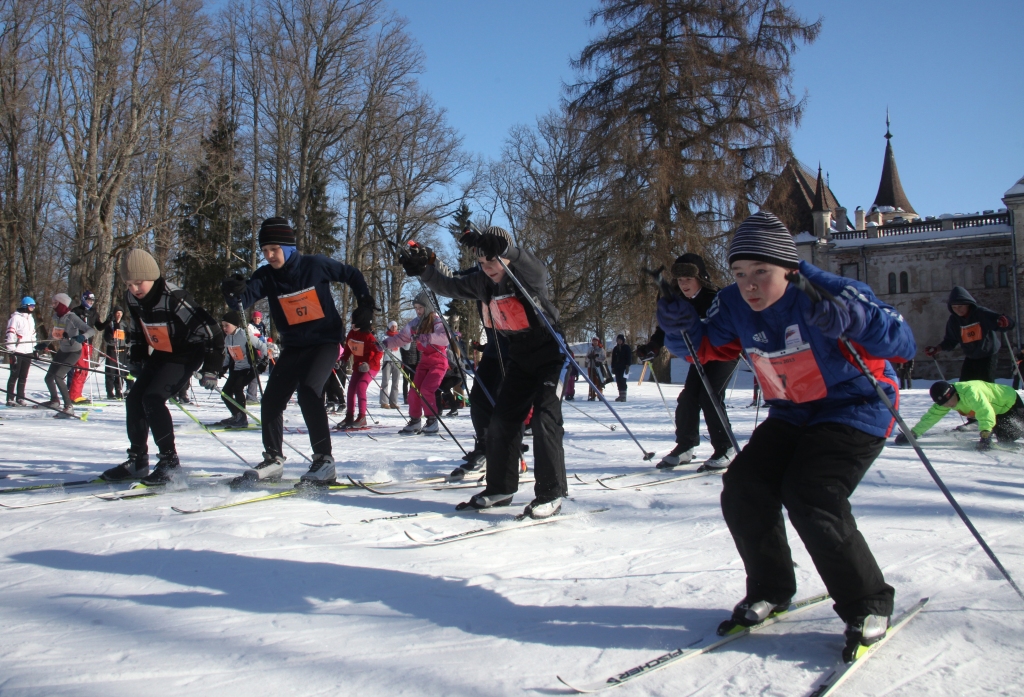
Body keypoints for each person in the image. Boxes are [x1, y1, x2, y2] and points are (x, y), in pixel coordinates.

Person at [658, 211, 915, 662]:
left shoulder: (827, 291)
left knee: (811, 492)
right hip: (792, 412)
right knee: (743, 485)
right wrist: (679, 324)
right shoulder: (735, 303)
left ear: (789, 270)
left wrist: (854, 319)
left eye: (761, 272)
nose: (750, 284)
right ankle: (772, 589)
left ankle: (868, 603)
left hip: (854, 407)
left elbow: (901, 340)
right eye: (740, 274)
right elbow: (706, 348)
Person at [404, 225, 568, 519]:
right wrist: (424, 270)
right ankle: (500, 487)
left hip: (549, 356)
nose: (487, 268)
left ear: (505, 255)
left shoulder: (525, 274)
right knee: (502, 421)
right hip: (518, 358)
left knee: (545, 418)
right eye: (481, 263)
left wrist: (505, 251)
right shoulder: (482, 283)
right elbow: (448, 286)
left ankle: (550, 493)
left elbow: (537, 269)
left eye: (492, 260)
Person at [222, 216, 372, 485]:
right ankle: (273, 459)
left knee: (309, 392)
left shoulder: (314, 265)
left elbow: (351, 274)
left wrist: (365, 304)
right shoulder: (265, 275)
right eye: (264, 250)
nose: (269, 256)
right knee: (271, 400)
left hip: (325, 342)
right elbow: (242, 301)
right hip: (293, 346)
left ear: (289, 247)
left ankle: (324, 461)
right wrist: (232, 292)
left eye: (274, 249)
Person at [101, 249, 224, 483]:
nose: (134, 289)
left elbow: (212, 332)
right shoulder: (131, 299)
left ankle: (169, 462)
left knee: (153, 398)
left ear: (153, 277)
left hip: (188, 351)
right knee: (134, 399)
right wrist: (136, 358)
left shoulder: (174, 297)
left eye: (139, 283)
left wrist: (211, 368)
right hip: (163, 350)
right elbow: (137, 329)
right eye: (129, 284)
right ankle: (137, 459)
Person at [654, 254, 740, 470]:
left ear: (700, 278)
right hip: (701, 356)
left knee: (710, 396)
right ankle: (686, 446)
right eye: (680, 281)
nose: (684, 285)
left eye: (688, 280)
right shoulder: (679, 301)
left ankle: (725, 447)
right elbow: (667, 327)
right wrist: (652, 346)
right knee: (688, 397)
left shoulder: (715, 297)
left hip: (724, 354)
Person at [383, 291, 449, 435]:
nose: (418, 311)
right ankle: (415, 421)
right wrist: (385, 343)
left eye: (421, 308)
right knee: (413, 392)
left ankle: (432, 420)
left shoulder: (437, 321)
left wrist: (427, 337)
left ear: (429, 307)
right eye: (416, 308)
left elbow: (445, 338)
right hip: (424, 362)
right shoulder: (414, 324)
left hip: (438, 362)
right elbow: (401, 338)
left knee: (426, 390)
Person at [894, 380, 1023, 450]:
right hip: (995, 412)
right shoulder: (946, 401)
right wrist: (913, 433)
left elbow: (985, 411)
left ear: (952, 394)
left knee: (1020, 428)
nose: (947, 406)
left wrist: (985, 433)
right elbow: (931, 416)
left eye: (947, 403)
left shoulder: (970, 393)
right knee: (1006, 439)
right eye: (943, 404)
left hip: (1009, 402)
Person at [925, 286, 1014, 384]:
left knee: (985, 386)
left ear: (968, 304)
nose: (958, 310)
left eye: (960, 306)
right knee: (965, 386)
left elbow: (1002, 322)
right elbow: (950, 340)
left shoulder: (981, 313)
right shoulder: (954, 320)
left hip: (988, 355)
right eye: (954, 307)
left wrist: (1006, 322)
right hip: (971, 356)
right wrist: (937, 349)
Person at [42, 293, 95, 418]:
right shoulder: (56, 316)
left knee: (58, 376)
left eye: (55, 303)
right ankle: (54, 401)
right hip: (63, 350)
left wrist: (83, 336)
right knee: (49, 377)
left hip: (74, 352)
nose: (52, 305)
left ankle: (69, 406)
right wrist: (44, 344)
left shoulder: (72, 317)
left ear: (62, 304)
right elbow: (54, 334)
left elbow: (91, 330)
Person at [212, 310, 266, 429]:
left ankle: (242, 418)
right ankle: (237, 415)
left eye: (227, 325)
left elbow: (262, 345)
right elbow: (227, 356)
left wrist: (264, 360)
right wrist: (222, 369)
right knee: (225, 393)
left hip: (249, 368)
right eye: (223, 326)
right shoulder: (227, 338)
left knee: (237, 388)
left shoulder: (244, 335)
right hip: (237, 368)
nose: (225, 328)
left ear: (235, 325)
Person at [337, 306, 383, 430]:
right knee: (351, 389)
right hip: (358, 366)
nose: (352, 324)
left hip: (371, 367)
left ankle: (362, 417)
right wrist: (342, 360)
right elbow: (347, 349)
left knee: (361, 386)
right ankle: (349, 416)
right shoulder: (351, 334)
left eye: (354, 322)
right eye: (351, 321)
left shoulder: (369, 337)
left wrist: (369, 364)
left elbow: (379, 352)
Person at [5, 297, 37, 406]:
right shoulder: (15, 318)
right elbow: (10, 334)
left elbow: (33, 335)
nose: (33, 308)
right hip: (17, 350)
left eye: (34, 306)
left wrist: (34, 348)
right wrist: (11, 351)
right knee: (14, 374)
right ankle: (10, 398)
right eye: (31, 306)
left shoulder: (31, 318)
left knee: (24, 375)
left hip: (27, 351)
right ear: (25, 306)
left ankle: (20, 397)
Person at [68, 290, 98, 404]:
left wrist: (109, 320)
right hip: (78, 343)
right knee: (80, 369)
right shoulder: (76, 311)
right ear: (83, 300)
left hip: (88, 343)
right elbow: (70, 325)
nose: (90, 303)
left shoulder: (93, 312)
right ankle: (74, 395)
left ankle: (77, 394)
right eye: (88, 300)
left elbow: (98, 326)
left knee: (85, 369)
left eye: (92, 301)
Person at [96, 306, 129, 399]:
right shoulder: (110, 324)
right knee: (110, 371)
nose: (119, 315)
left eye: (121, 313)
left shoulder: (125, 324)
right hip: (112, 350)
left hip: (122, 350)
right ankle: (110, 392)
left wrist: (128, 343)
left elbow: (129, 336)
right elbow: (106, 337)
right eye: (117, 313)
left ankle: (119, 390)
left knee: (120, 372)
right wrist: (111, 338)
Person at [378, 320, 400, 408]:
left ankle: (393, 402)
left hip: (397, 361)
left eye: (395, 326)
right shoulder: (384, 336)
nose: (394, 328)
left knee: (396, 383)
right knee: (385, 381)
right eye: (392, 326)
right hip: (387, 360)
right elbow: (381, 347)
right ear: (389, 327)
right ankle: (384, 402)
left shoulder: (399, 336)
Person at [611, 334, 632, 402]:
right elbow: (613, 358)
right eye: (618, 340)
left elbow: (629, 357)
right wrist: (613, 367)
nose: (619, 341)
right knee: (618, 381)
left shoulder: (626, 347)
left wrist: (627, 365)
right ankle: (620, 395)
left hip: (624, 367)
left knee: (623, 381)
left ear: (623, 340)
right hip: (617, 367)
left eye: (620, 340)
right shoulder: (615, 348)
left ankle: (623, 396)